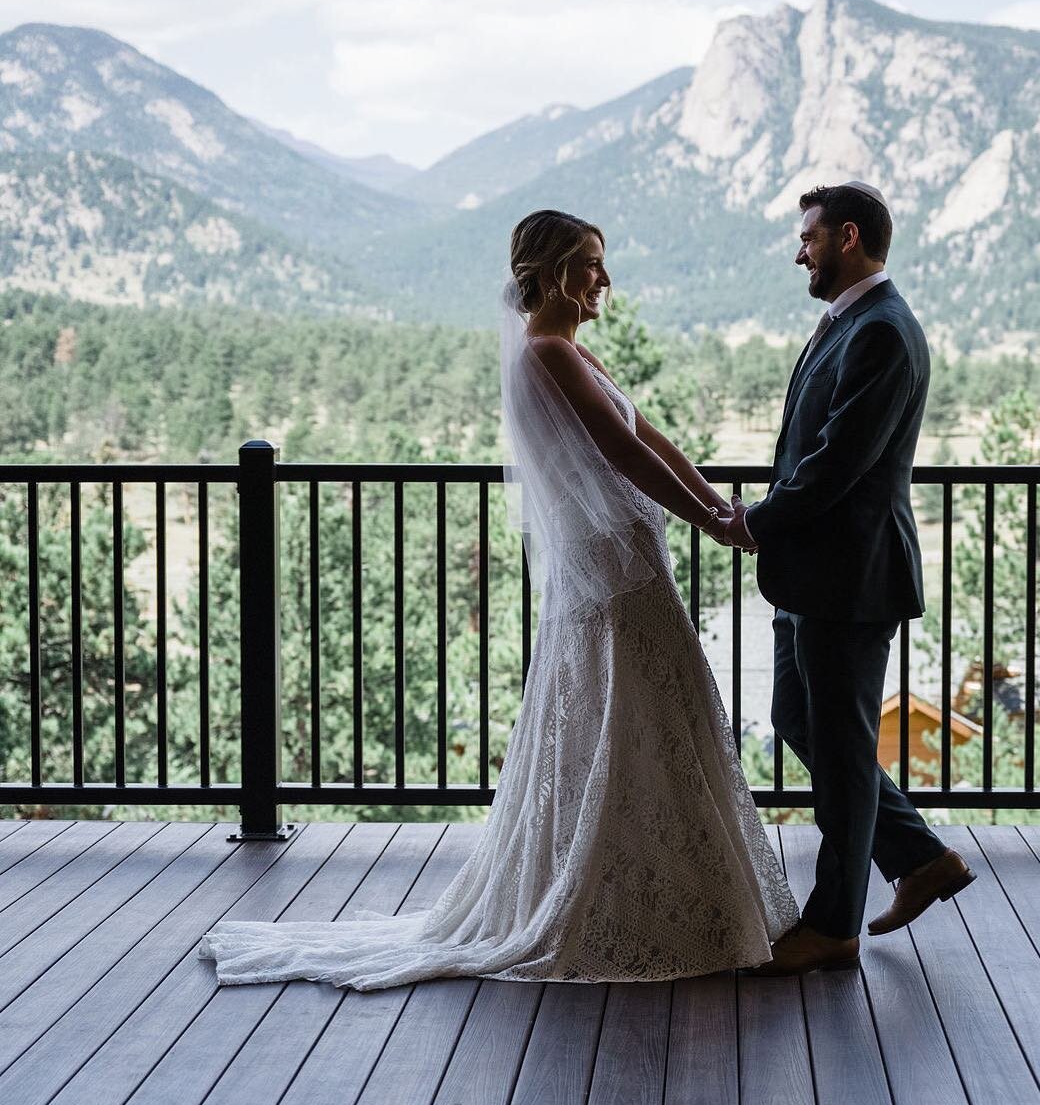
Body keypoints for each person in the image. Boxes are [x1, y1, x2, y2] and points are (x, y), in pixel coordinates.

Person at [197, 210, 797, 990]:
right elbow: (620, 453)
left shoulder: (572, 353)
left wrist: (721, 509)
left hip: (626, 556)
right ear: (549, 273)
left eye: (601, 264)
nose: (602, 281)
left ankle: (668, 895)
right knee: (629, 718)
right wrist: (713, 525)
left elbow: (649, 436)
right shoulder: (548, 354)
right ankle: (634, 903)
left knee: (645, 719)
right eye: (588, 264)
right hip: (613, 566)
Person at [720, 181, 975, 978]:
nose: (800, 251)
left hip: (850, 580)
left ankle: (833, 925)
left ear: (850, 238)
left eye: (809, 238)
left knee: (840, 744)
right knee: (801, 721)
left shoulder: (885, 333)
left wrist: (756, 520)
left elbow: (834, 464)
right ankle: (923, 858)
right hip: (811, 578)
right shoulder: (851, 322)